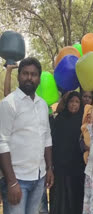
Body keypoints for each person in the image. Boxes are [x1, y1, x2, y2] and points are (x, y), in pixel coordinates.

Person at [0, 57, 54, 214]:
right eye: (25, 73)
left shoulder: (43, 105)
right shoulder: (8, 104)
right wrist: (11, 182)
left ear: (39, 78)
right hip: (17, 179)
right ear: (19, 76)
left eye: (34, 74)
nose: (29, 78)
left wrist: (49, 168)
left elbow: (47, 138)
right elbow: (1, 142)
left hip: (39, 177)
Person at [50, 91, 85, 214]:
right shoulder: (60, 119)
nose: (74, 105)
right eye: (71, 101)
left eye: (77, 102)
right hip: (60, 168)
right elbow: (53, 141)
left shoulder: (83, 121)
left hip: (77, 169)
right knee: (60, 200)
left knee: (74, 199)